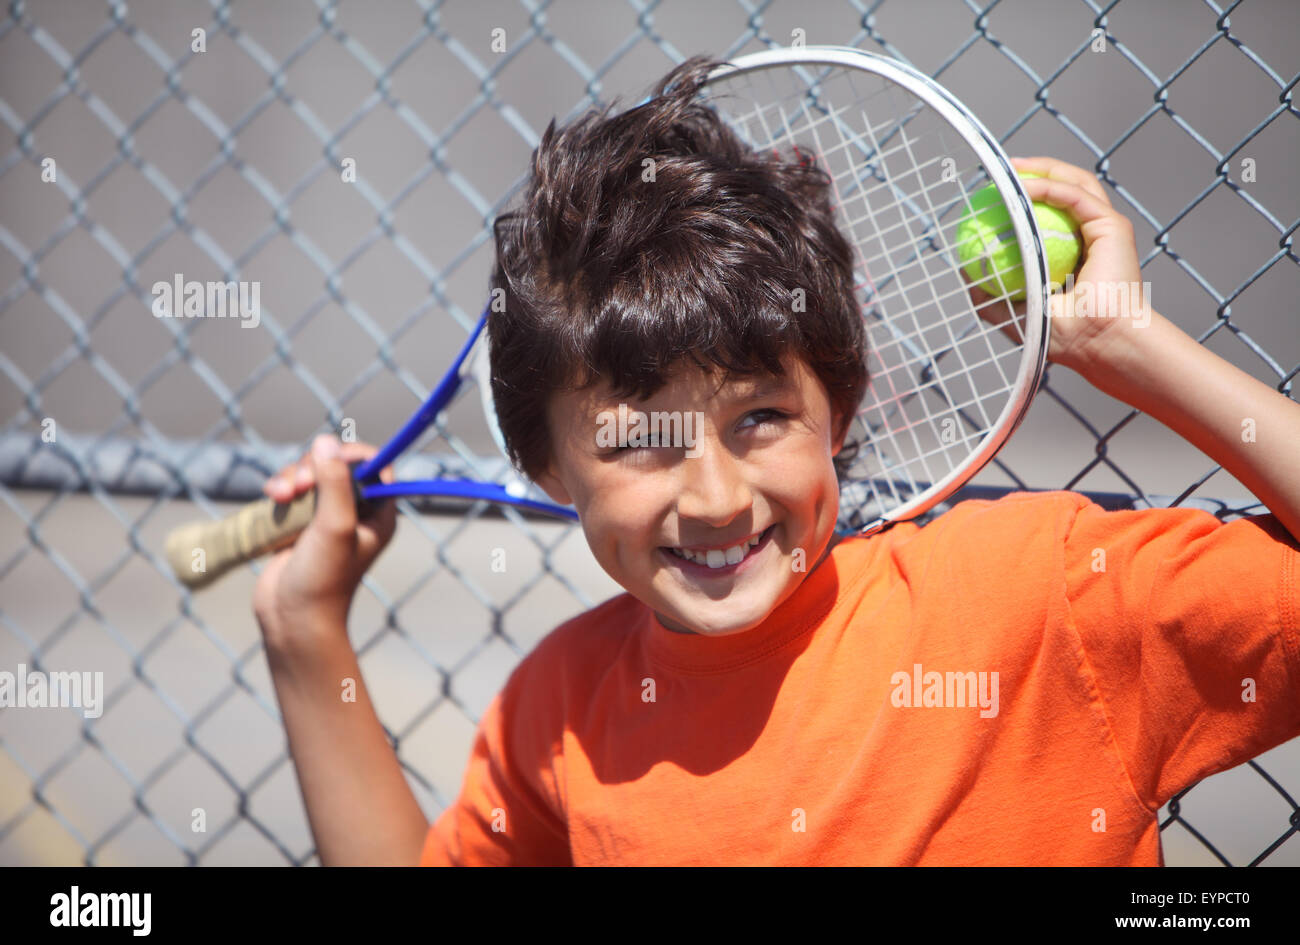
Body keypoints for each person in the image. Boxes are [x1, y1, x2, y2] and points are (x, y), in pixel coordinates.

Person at [252, 58, 1300, 865]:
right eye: (636, 439)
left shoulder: (1043, 598)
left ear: (837, 409)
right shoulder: (556, 708)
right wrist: (303, 634)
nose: (714, 497)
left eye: (758, 417)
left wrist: (1129, 346)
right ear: (548, 468)